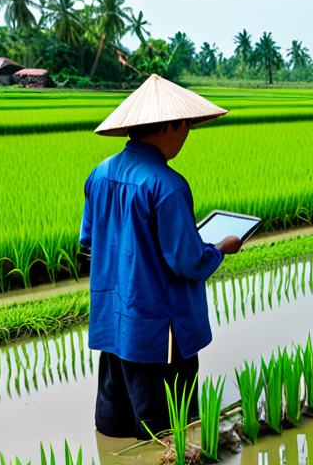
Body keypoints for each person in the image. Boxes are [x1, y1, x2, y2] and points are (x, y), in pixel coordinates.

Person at [79, 74, 240, 440]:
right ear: (169, 125)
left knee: (114, 425)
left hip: (114, 320)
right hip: (158, 330)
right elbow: (187, 262)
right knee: (169, 436)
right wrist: (219, 249)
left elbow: (91, 238)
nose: (186, 134)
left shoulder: (99, 174)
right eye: (186, 126)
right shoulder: (167, 185)